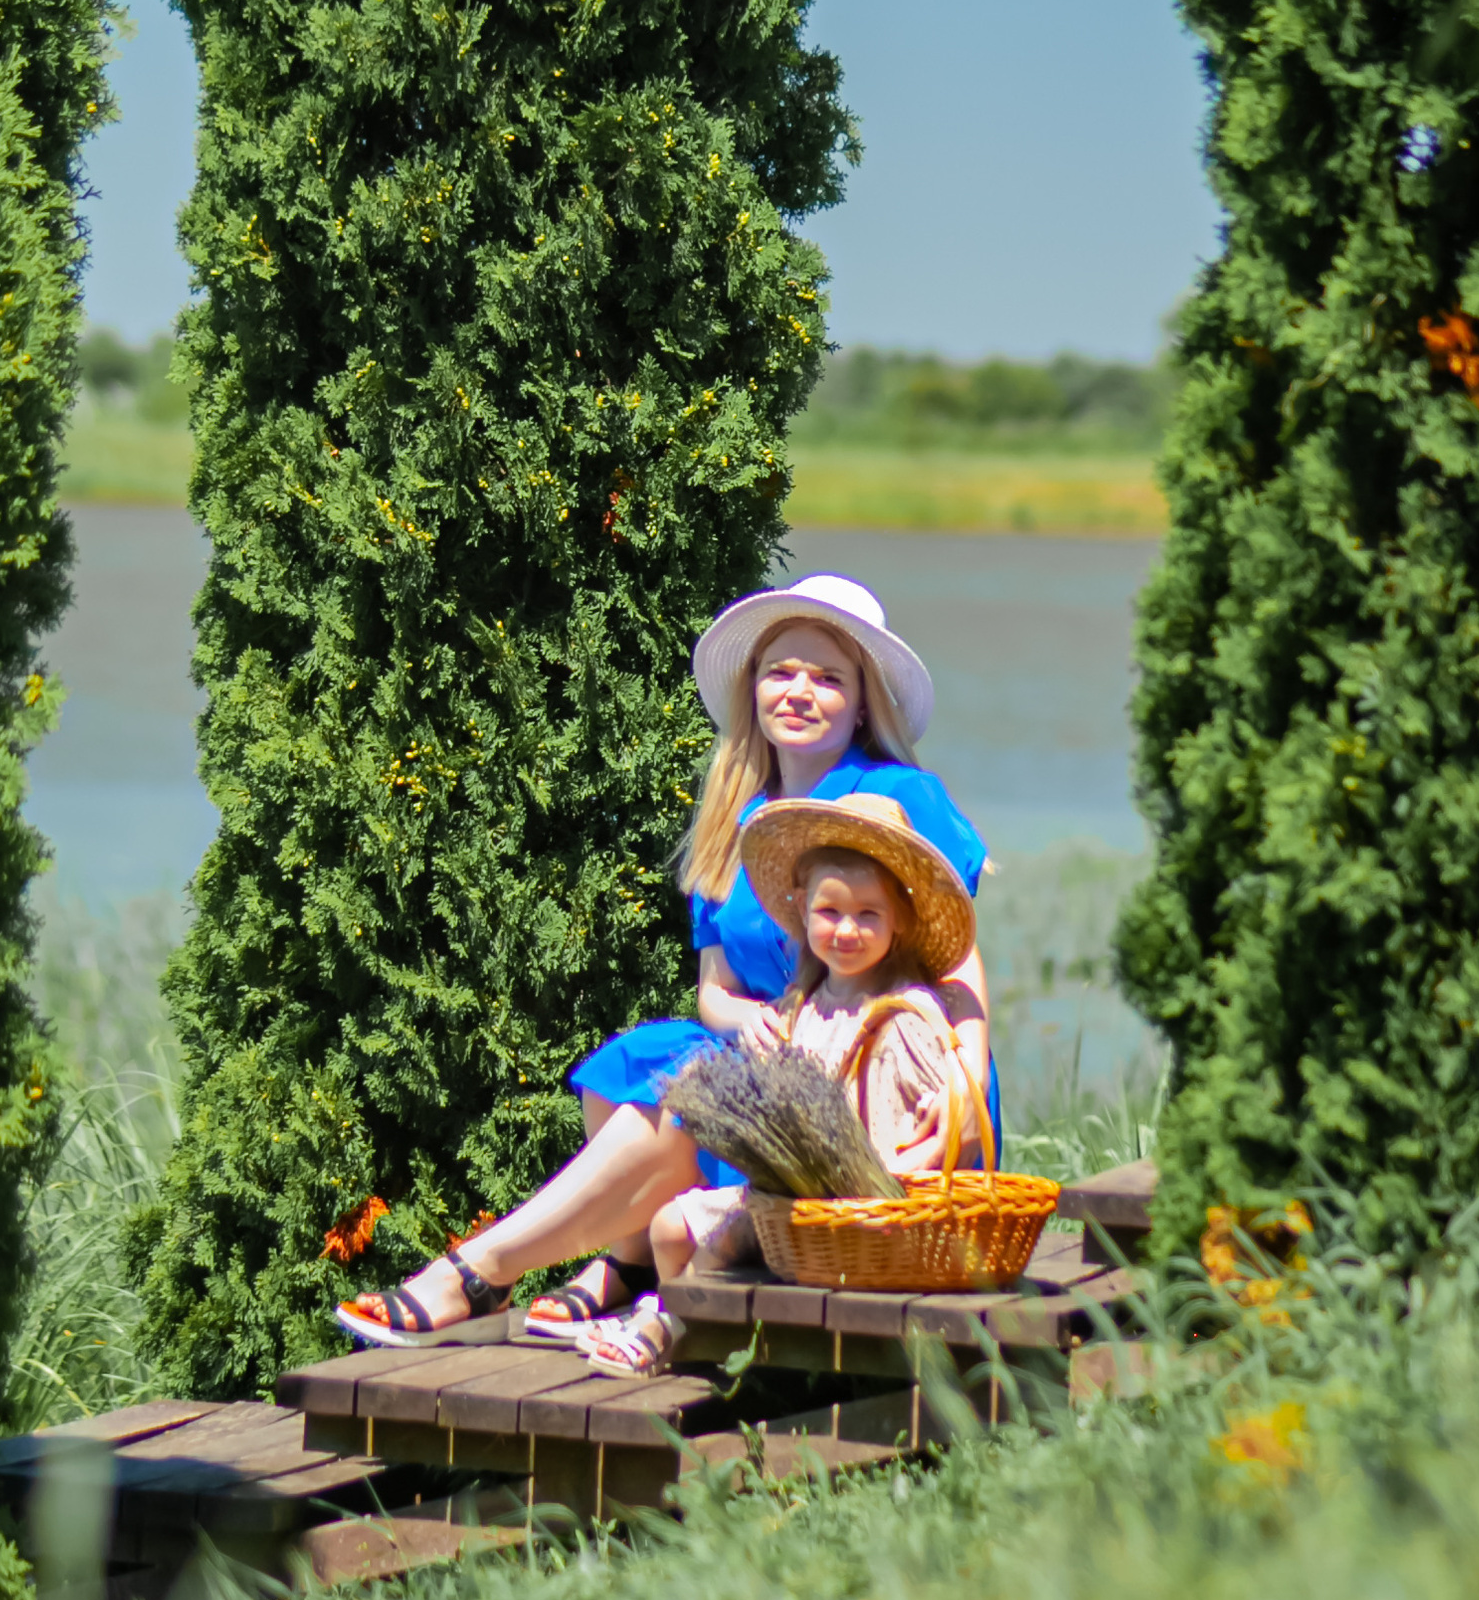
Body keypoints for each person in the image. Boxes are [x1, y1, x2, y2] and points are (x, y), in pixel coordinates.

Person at [331, 572, 994, 1347]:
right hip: (783, 1050)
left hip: (887, 1077)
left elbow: (959, 959)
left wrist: (965, 1080)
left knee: (691, 1087)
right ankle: (629, 1261)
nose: (800, 692)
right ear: (752, 689)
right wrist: (760, 1022)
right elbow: (716, 990)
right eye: (781, 672)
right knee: (636, 1060)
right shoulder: (735, 816)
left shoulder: (899, 794)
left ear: (862, 700)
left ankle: (477, 1272)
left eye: (828, 677)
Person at [576, 790, 987, 1378]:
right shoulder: (804, 1006)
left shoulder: (906, 1013)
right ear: (802, 909)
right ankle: (703, 1346)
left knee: (719, 1242)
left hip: (854, 1208)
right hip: (791, 1194)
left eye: (868, 914)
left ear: (899, 923)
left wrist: (899, 1168)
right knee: (669, 1227)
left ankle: (662, 1326)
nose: (847, 930)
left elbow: (934, 1127)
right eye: (830, 912)